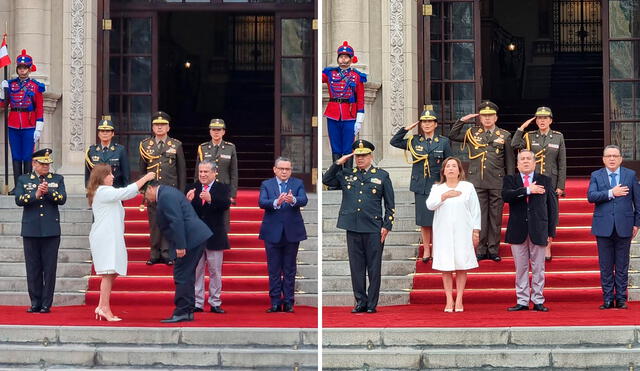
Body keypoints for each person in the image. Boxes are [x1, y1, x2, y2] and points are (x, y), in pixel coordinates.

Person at [322, 140, 395, 314]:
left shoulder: (382, 175)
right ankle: (360, 301)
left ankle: (371, 304)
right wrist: (339, 162)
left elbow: (390, 204)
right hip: (353, 227)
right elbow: (327, 180)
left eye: (363, 155)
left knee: (374, 267)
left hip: (373, 227)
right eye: (357, 155)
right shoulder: (346, 174)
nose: (360, 159)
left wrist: (387, 225)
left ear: (371, 156)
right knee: (356, 267)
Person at [86, 164, 155, 321]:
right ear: (101, 177)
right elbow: (125, 192)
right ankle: (104, 307)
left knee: (113, 271)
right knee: (108, 273)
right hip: (105, 237)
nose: (113, 177)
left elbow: (126, 193)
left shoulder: (106, 192)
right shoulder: (103, 191)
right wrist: (145, 178)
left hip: (111, 235)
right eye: (109, 174)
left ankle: (102, 305)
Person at [448, 100, 515, 262]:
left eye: (490, 116)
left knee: (495, 217)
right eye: (484, 116)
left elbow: (510, 161)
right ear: (480, 118)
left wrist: (510, 182)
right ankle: (481, 249)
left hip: (497, 181)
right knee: (479, 216)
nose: (487, 119)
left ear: (496, 118)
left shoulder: (504, 135)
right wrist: (462, 121)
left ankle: (493, 249)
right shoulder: (472, 133)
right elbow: (453, 135)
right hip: (477, 181)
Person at [142, 181, 213, 323]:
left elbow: (176, 221)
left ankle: (182, 310)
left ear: (150, 188)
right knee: (187, 274)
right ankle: (187, 310)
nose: (146, 199)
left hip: (190, 239)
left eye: (144, 195)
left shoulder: (165, 196)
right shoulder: (167, 192)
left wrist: (180, 245)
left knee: (181, 274)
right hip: (194, 237)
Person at [390, 109, 452, 263]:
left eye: (430, 121)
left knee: (439, 219)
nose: (427, 124)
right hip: (421, 186)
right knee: (424, 221)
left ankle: (438, 248)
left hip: (438, 185)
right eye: (424, 121)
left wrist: (450, 184)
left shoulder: (443, 142)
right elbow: (394, 142)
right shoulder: (414, 141)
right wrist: (406, 129)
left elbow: (450, 162)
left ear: (435, 124)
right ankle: (426, 249)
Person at [502, 150, 557, 312]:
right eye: (522, 159)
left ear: (534, 163)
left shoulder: (545, 180)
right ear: (517, 164)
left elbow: (552, 207)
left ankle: (538, 299)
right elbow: (506, 196)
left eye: (528, 159)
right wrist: (527, 190)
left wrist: (550, 232)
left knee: (539, 267)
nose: (525, 162)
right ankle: (522, 300)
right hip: (517, 229)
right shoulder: (511, 179)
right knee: (521, 268)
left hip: (539, 229)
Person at [587, 145, 640, 310]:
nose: (612, 159)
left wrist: (637, 223)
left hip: (625, 225)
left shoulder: (630, 175)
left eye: (615, 156)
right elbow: (591, 196)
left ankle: (621, 298)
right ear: (603, 159)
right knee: (606, 265)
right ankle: (608, 298)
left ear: (620, 159)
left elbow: (638, 202)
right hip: (603, 227)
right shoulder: (596, 175)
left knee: (622, 264)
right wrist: (611, 192)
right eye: (608, 156)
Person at [14, 148, 65, 313]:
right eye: (42, 164)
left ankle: (46, 303)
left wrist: (48, 191)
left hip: (51, 230)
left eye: (48, 164)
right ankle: (35, 301)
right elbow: (19, 200)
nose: (46, 167)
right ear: (34, 164)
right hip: (31, 229)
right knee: (33, 268)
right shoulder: (23, 179)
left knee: (49, 269)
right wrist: (35, 194)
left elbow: (62, 199)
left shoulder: (57, 179)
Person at [511, 107, 566, 261]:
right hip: (534, 180)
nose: (542, 121)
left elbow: (562, 162)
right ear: (535, 121)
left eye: (545, 118)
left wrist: (561, 185)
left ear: (550, 120)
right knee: (536, 212)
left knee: (551, 213)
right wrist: (522, 128)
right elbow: (515, 145)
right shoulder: (529, 136)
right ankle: (534, 241)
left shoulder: (558, 137)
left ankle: (548, 244)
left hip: (551, 180)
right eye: (539, 118)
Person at [426, 157, 480, 312]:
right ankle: (449, 299)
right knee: (446, 266)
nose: (451, 169)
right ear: (443, 170)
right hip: (443, 232)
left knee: (462, 265)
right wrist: (444, 196)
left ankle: (460, 298)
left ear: (459, 170)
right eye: (448, 166)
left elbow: (475, 210)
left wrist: (476, 231)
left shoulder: (468, 187)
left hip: (464, 231)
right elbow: (430, 205)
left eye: (454, 166)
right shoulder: (437, 188)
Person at [258, 157, 308, 313]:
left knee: (289, 268)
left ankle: (288, 301)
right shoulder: (267, 184)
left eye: (287, 169)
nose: (284, 172)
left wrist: (293, 199)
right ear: (275, 169)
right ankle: (274, 301)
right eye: (281, 169)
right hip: (272, 231)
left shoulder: (297, 183)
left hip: (292, 232)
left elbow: (304, 199)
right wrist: (276, 202)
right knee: (273, 269)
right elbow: (261, 202)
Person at [139, 111, 186, 265]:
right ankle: (154, 253)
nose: (159, 128)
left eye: (163, 125)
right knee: (154, 222)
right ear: (152, 127)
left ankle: (166, 253)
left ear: (168, 127)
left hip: (170, 190)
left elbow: (181, 170)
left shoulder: (176, 145)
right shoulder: (145, 145)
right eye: (156, 125)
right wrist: (143, 189)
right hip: (152, 190)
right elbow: (142, 169)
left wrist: (180, 192)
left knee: (168, 220)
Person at [187, 160, 231, 314]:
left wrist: (211, 199)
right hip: (196, 237)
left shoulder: (222, 188)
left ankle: (215, 302)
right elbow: (185, 211)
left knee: (215, 271)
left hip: (215, 236)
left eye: (206, 172)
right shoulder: (191, 187)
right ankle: (197, 303)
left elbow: (225, 204)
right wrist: (188, 201)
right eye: (201, 172)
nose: (203, 175)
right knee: (197, 271)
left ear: (214, 172)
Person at [2, 50, 45, 194]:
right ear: (17, 69)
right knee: (16, 155)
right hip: (13, 123)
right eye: (20, 67)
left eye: (25, 67)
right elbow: (3, 105)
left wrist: (39, 126)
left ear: (30, 68)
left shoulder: (35, 86)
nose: (22, 70)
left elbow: (39, 108)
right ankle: (18, 187)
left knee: (27, 156)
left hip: (29, 124)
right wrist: (2, 93)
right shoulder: (11, 85)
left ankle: (27, 186)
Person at [322, 41, 366, 170]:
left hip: (349, 115)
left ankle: (347, 175)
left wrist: (359, 119)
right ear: (338, 58)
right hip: (333, 113)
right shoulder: (330, 73)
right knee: (335, 146)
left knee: (347, 146)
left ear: (351, 59)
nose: (343, 59)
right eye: (341, 56)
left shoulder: (357, 76)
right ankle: (336, 176)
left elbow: (360, 98)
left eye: (346, 57)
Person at [194, 118, 238, 229]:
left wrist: (232, 194)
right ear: (210, 131)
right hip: (206, 187)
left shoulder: (230, 148)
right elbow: (197, 171)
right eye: (213, 129)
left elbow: (233, 172)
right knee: (205, 217)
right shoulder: (203, 148)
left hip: (223, 187)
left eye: (219, 129)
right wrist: (197, 189)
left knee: (222, 220)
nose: (216, 132)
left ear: (224, 131)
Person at [85, 116, 130, 188]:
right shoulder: (91, 151)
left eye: (108, 131)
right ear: (98, 134)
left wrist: (126, 193)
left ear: (112, 134)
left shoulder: (120, 150)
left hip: (115, 191)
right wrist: (89, 192)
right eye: (102, 131)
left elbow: (126, 175)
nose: (105, 133)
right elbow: (88, 176)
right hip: (97, 191)